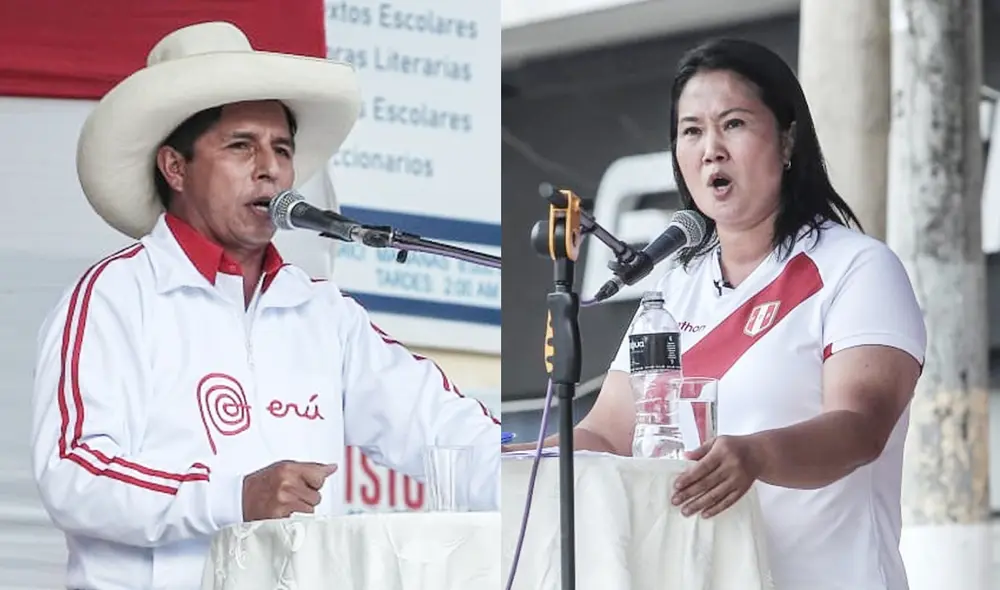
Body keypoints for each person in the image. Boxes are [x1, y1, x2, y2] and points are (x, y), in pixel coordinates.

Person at [30, 22, 500, 590]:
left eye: (282, 148)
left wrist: (562, 466)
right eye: (240, 146)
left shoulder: (324, 314)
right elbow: (74, 472)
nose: (269, 167)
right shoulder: (114, 297)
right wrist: (234, 497)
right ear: (175, 167)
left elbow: (446, 431)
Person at [505, 38, 926, 590]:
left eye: (733, 124)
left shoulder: (857, 269)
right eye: (692, 131)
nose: (711, 150)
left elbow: (859, 428)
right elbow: (608, 435)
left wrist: (757, 454)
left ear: (788, 139)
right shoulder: (676, 285)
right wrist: (515, 461)